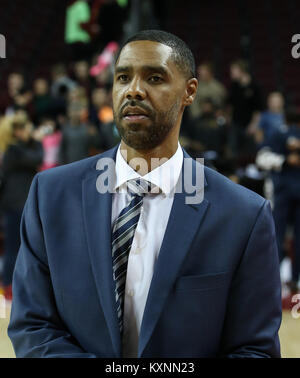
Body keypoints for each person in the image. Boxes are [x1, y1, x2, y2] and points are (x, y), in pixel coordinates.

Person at [8, 30, 281, 358]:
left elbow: (255, 350)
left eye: (154, 77)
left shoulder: (244, 215)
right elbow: (32, 325)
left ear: (189, 92)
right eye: (123, 77)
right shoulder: (50, 196)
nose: (133, 90)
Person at [0, 111, 43, 301]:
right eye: (25, 127)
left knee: (26, 247)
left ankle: (17, 287)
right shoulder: (13, 150)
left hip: (23, 204)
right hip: (14, 205)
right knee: (13, 247)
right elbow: (35, 158)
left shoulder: (21, 148)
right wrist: (34, 140)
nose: (29, 130)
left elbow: (37, 157)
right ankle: (6, 286)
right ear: (17, 131)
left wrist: (33, 141)